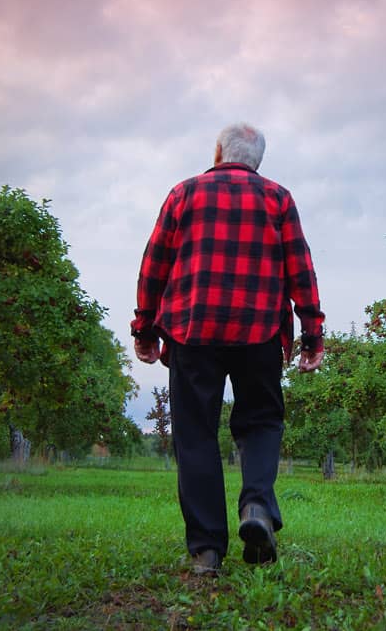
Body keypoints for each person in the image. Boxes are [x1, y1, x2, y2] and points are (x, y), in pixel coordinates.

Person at [131, 123, 325, 576]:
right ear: (258, 161)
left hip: (192, 331)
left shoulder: (184, 194)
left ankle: (206, 551)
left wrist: (144, 327)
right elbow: (301, 267)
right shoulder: (277, 198)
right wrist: (312, 331)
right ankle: (256, 507)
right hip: (258, 332)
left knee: (196, 435)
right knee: (260, 422)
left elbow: (154, 263)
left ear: (218, 152)